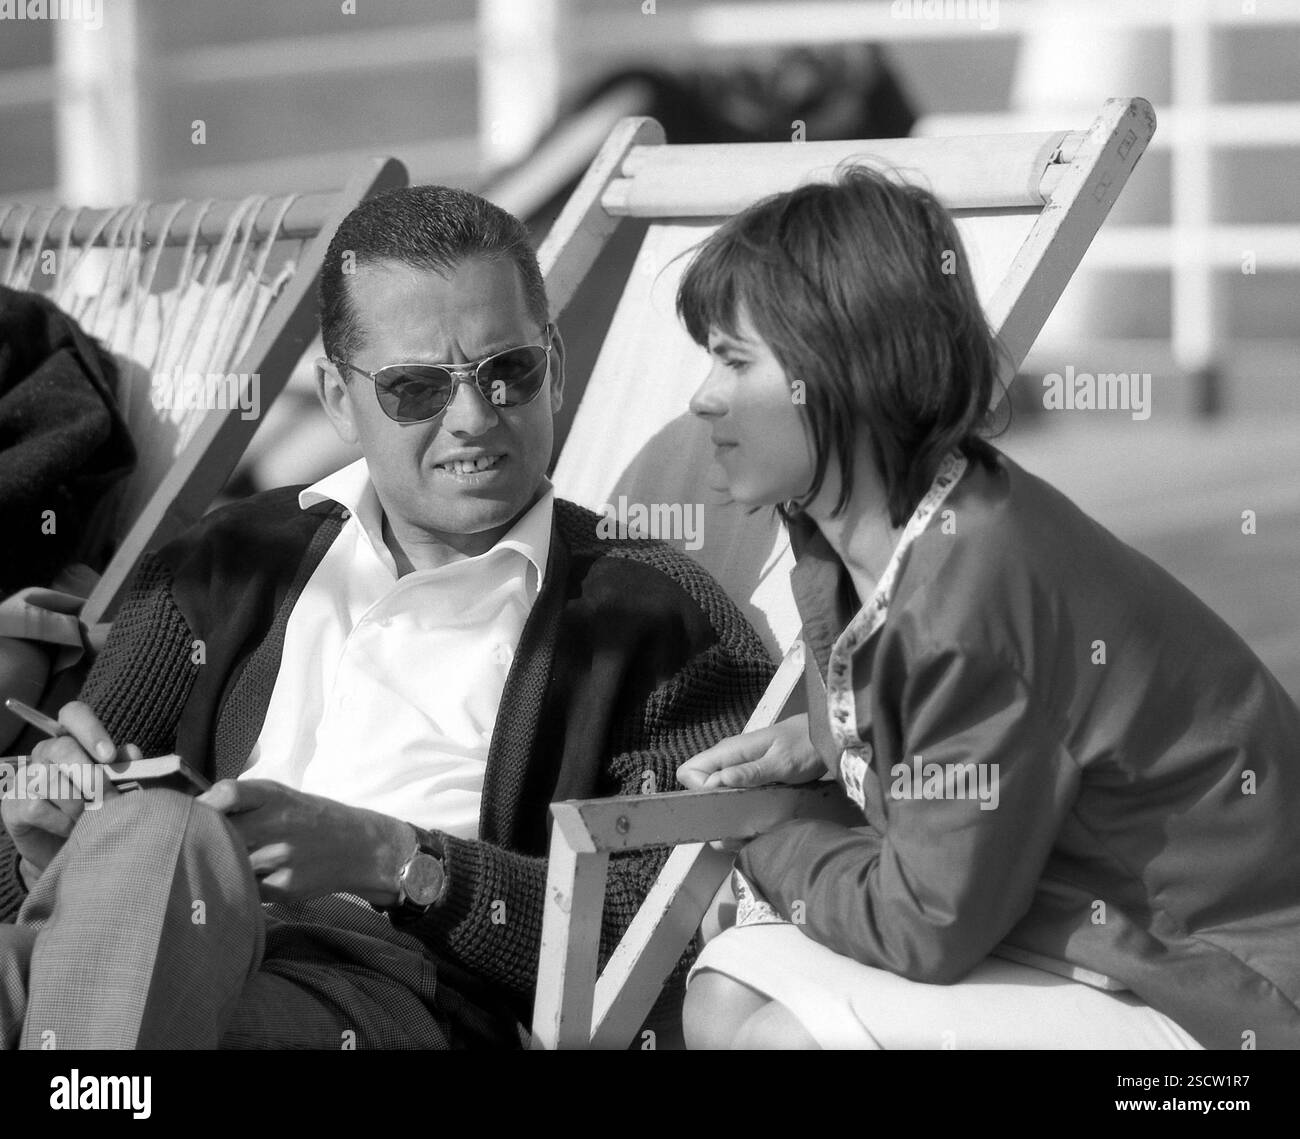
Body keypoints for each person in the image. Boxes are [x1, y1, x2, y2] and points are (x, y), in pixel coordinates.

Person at [0, 185, 774, 1049]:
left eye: (508, 370)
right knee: (141, 845)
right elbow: (31, 878)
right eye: (416, 388)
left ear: (554, 363)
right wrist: (38, 836)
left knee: (161, 840)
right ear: (338, 396)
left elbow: (652, 942)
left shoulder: (658, 621)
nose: (475, 418)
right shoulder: (221, 563)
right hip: (107, 949)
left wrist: (397, 861)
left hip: (374, 998)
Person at [673, 165, 1300, 1050]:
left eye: (735, 360)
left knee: (784, 1041)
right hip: (1084, 931)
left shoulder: (968, 596)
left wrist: (769, 836)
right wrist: (831, 735)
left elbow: (924, 923)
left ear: (843, 375)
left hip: (1226, 1007)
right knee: (724, 994)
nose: (703, 394)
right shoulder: (886, 531)